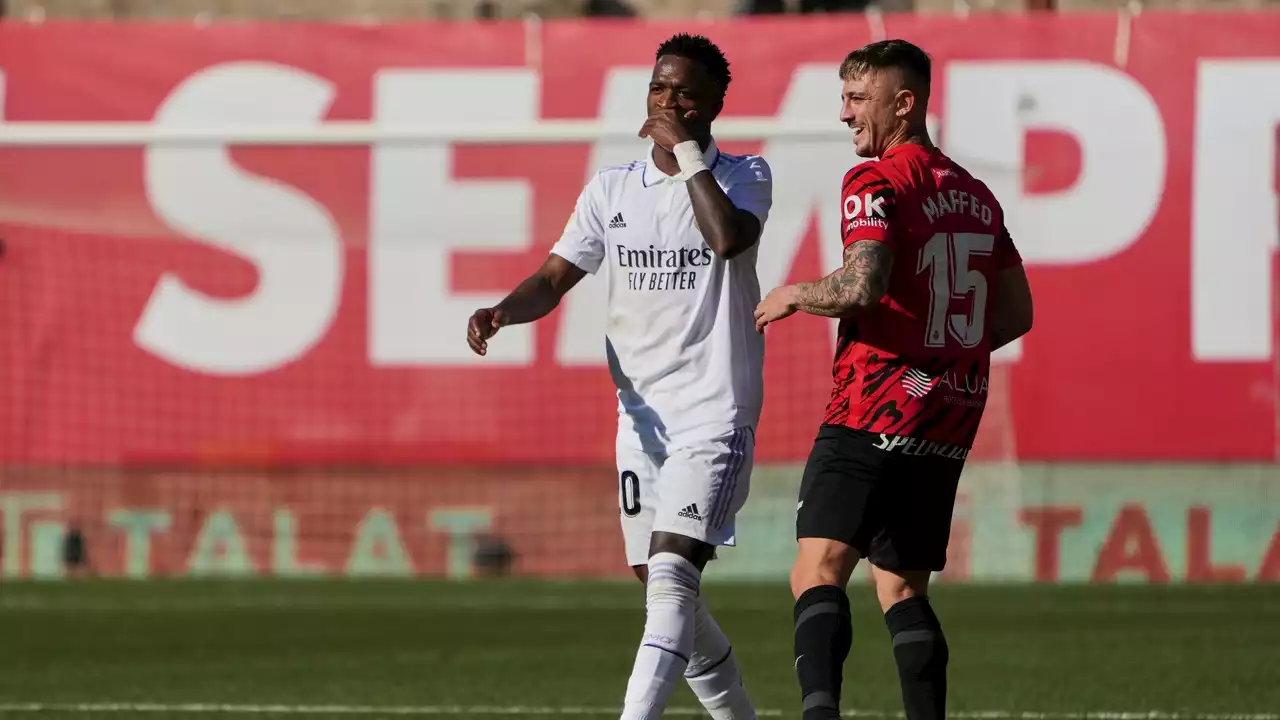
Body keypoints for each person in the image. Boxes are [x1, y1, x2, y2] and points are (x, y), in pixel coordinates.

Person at [466, 32, 772, 720]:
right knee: (665, 591)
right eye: (658, 88)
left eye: (683, 92)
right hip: (640, 423)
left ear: (713, 103)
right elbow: (552, 277)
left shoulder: (745, 175)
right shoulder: (611, 189)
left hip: (712, 415)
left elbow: (728, 241)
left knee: (670, 580)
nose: (666, 101)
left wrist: (689, 155)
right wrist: (502, 311)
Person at [753, 39, 1034, 720]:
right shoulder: (975, 193)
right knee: (903, 589)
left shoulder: (878, 180)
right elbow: (1017, 312)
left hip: (874, 404)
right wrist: (939, 359)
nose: (845, 114)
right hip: (948, 411)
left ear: (902, 104)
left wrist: (794, 292)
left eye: (858, 99)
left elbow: (861, 285)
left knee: (816, 571)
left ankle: (819, 714)